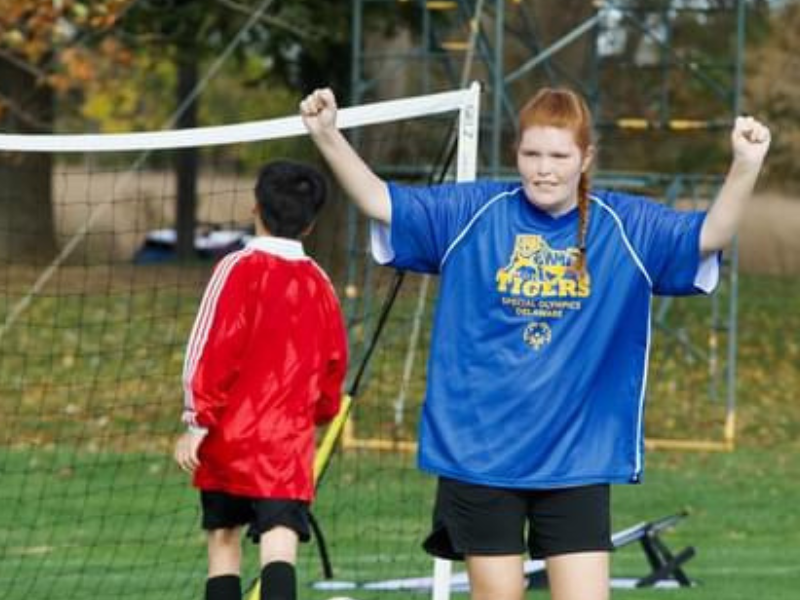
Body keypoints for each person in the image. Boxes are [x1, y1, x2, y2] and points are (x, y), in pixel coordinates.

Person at [299, 87, 770, 600]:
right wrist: (327, 135)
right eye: (532, 154)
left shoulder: (625, 225)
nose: (544, 169)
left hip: (575, 458)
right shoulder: (473, 212)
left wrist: (745, 165)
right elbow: (378, 200)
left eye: (559, 156)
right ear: (516, 154)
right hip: (480, 457)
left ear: (585, 157)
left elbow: (709, 236)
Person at [173, 160, 349, 600]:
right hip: (286, 444)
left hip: (230, 439)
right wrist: (320, 412)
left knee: (224, 542)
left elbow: (209, 349)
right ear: (309, 225)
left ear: (255, 207)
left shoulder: (236, 268)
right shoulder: (320, 283)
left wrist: (197, 421)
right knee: (280, 543)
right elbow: (334, 363)